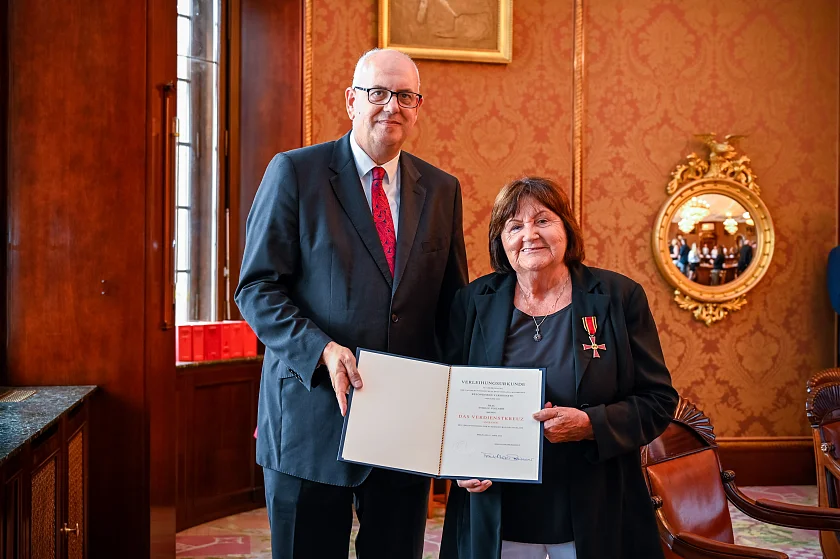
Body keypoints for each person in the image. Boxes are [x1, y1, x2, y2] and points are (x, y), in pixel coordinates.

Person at [235, 48, 469, 559]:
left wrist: (469, 418)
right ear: (351, 101)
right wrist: (321, 349)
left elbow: (454, 309)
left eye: (405, 96)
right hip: (311, 417)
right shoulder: (295, 172)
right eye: (378, 93)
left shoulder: (442, 190)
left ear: (418, 105)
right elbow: (255, 288)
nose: (392, 106)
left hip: (404, 426)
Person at [440, 177, 678, 559]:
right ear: (500, 240)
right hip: (496, 505)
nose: (529, 235)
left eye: (543, 220)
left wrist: (590, 425)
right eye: (514, 226)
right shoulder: (472, 302)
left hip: (594, 501)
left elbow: (658, 401)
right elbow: (446, 399)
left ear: (566, 226)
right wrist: (456, 464)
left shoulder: (618, 297)